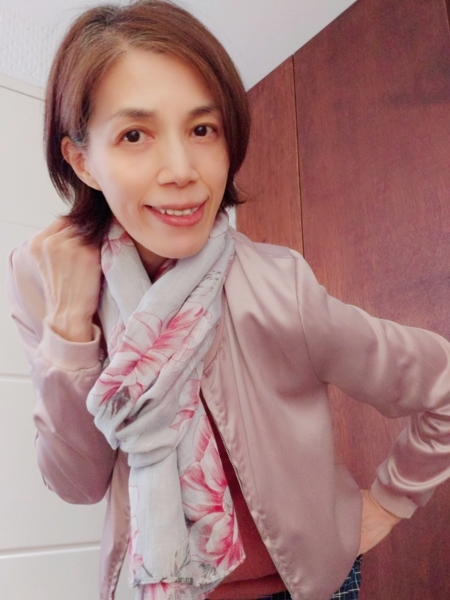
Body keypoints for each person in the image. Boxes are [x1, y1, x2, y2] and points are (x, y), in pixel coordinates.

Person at [6, 1, 450, 599]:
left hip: (306, 585)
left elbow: (441, 386)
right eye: (135, 135)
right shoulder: (43, 279)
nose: (181, 170)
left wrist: (392, 500)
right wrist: (67, 325)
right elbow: (76, 483)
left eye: (202, 129)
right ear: (82, 159)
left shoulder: (277, 287)